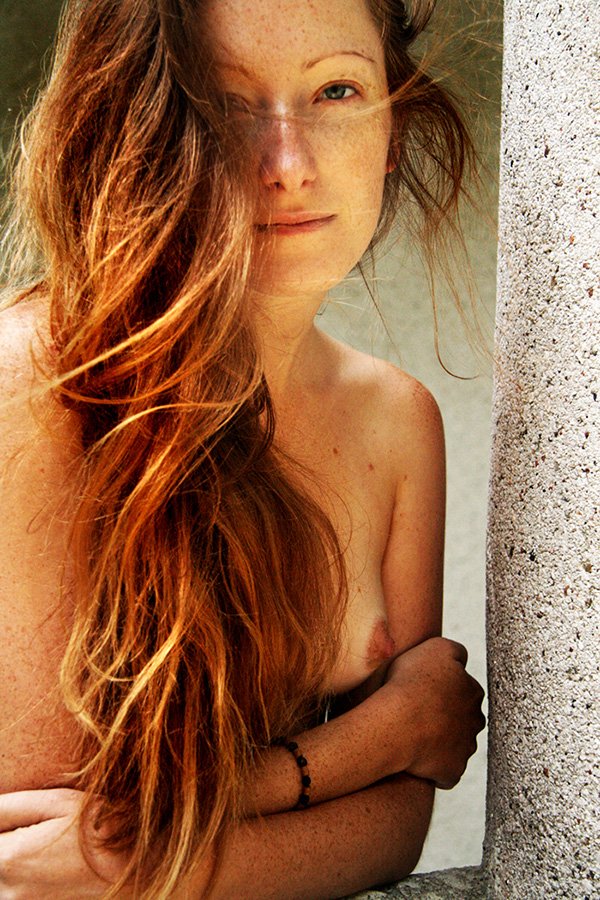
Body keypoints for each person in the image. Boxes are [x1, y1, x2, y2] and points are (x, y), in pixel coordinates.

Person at [0, 0, 486, 896]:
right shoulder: (32, 393)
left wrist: (145, 863)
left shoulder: (395, 423)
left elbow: (394, 830)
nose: (288, 165)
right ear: (136, 132)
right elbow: (34, 868)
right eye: (224, 104)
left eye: (336, 91)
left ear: (392, 123)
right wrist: (383, 734)